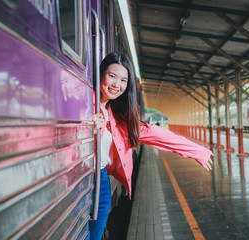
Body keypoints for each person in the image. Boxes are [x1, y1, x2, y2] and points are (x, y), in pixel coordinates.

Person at [88, 52, 213, 240]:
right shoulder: (83, 101)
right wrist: (85, 125)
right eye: (112, 76)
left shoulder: (117, 117)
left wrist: (197, 152)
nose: (116, 85)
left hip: (102, 182)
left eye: (123, 80)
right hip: (82, 179)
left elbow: (156, 133)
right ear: (101, 74)